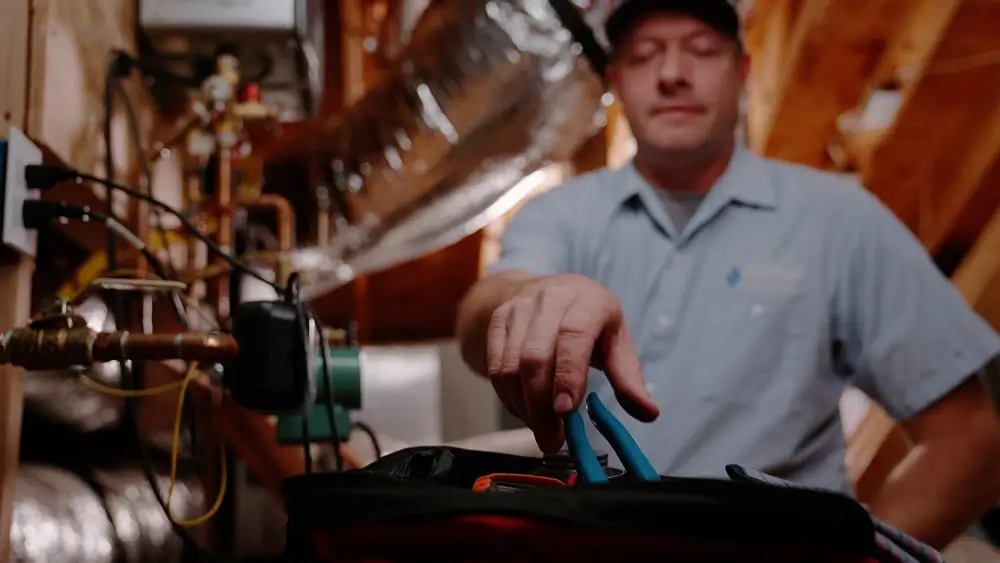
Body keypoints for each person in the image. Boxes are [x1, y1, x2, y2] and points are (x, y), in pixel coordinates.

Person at [456, 0, 1000, 549]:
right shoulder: (558, 214)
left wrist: (858, 558)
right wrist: (533, 297)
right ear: (618, 82)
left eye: (701, 51)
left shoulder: (840, 219)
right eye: (646, 57)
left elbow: (970, 441)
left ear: (742, 73)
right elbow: (484, 312)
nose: (672, 75)